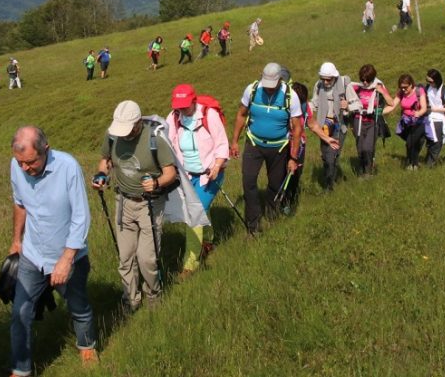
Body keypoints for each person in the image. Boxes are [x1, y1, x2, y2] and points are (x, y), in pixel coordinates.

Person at [9, 125, 98, 373]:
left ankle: (87, 346)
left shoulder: (68, 167)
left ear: (45, 150)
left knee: (78, 306)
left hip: (68, 257)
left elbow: (81, 216)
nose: (25, 169)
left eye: (30, 162)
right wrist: (17, 240)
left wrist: (66, 259)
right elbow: (20, 204)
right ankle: (20, 369)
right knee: (20, 314)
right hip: (32, 255)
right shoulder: (16, 166)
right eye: (20, 163)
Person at [93, 101, 177, 312]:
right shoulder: (112, 137)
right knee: (125, 257)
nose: (124, 135)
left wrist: (156, 183)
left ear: (138, 123)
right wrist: (102, 175)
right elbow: (105, 160)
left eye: (128, 130)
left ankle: (153, 297)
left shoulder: (154, 139)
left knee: (147, 258)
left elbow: (171, 172)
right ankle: (131, 300)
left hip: (150, 204)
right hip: (123, 202)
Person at [229, 63, 302, 235]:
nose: (269, 89)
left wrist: (293, 157)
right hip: (253, 144)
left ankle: (272, 215)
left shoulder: (291, 96)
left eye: (273, 85)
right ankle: (253, 226)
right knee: (249, 182)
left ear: (280, 80)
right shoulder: (252, 90)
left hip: (279, 147)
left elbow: (297, 128)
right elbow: (241, 114)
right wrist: (234, 141)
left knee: (275, 184)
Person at [164, 84, 229, 277]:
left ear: (194, 101)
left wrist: (217, 166)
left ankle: (190, 264)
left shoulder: (209, 116)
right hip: (185, 177)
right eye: (179, 106)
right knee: (201, 210)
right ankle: (208, 241)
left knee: (194, 215)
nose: (182, 109)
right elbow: (168, 143)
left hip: (209, 175)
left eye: (185, 105)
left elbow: (221, 144)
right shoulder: (174, 117)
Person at [307, 62, 357, 191]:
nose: (325, 82)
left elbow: (358, 104)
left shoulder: (345, 85)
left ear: (334, 77)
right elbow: (315, 103)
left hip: (339, 126)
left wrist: (348, 106)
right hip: (323, 126)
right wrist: (305, 109)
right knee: (326, 156)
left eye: (328, 79)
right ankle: (331, 177)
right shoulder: (318, 86)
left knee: (331, 156)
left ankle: (328, 186)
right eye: (322, 79)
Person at [350, 65, 392, 177]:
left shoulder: (378, 87)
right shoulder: (356, 88)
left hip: (372, 121)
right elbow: (348, 102)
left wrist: (382, 91)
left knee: (368, 147)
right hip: (358, 120)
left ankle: (368, 172)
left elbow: (391, 103)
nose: (364, 82)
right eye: (362, 79)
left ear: (373, 78)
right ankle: (361, 168)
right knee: (360, 148)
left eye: (367, 80)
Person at [383, 74, 427, 169]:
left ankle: (413, 165)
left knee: (411, 142)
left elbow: (424, 108)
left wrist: (418, 113)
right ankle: (411, 161)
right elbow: (392, 105)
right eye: (401, 87)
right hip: (406, 122)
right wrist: (379, 112)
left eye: (405, 87)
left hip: (419, 122)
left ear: (411, 85)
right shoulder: (401, 93)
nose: (403, 89)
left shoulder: (419, 91)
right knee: (410, 143)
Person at [423, 69, 445, 167]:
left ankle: (430, 163)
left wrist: (434, 109)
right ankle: (428, 163)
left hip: (439, 119)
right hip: (428, 118)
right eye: (427, 81)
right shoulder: (427, 88)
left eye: (431, 81)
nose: (429, 83)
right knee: (431, 142)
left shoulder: (444, 90)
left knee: (437, 143)